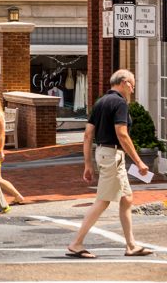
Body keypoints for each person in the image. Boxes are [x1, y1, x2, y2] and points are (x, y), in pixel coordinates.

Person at [66, 69, 153, 258]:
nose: (133, 88)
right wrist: (138, 162)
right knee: (103, 201)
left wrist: (88, 164)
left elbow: (88, 134)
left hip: (104, 154)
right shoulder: (120, 103)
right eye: (132, 84)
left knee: (127, 198)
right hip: (113, 155)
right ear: (123, 83)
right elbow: (122, 134)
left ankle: (131, 245)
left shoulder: (101, 102)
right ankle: (76, 243)